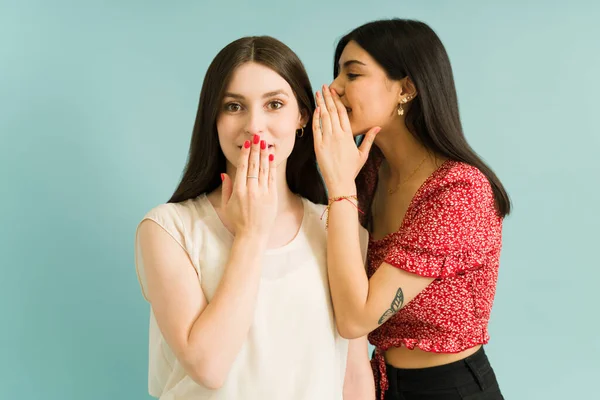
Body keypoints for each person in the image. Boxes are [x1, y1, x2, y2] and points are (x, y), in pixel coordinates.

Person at [134, 36, 374, 400]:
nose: (254, 125)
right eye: (234, 106)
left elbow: (354, 377)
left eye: (274, 104)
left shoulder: (338, 227)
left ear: (302, 117)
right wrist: (250, 235)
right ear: (212, 118)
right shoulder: (168, 229)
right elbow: (208, 366)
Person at [312, 19, 510, 399]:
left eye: (352, 74)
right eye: (336, 72)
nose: (333, 88)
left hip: (451, 388)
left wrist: (339, 189)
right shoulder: (367, 171)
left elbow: (355, 318)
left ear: (406, 88)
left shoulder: (460, 191)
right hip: (381, 381)